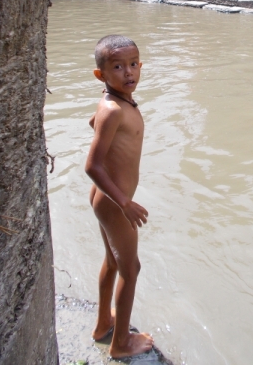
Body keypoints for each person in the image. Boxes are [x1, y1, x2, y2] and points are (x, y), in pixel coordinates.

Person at [85, 35, 154, 360]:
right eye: (117, 67)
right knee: (131, 268)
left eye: (133, 64)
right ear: (101, 74)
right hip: (114, 203)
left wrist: (97, 122)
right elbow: (92, 165)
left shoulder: (115, 103)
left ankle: (103, 324)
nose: (129, 73)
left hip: (104, 199)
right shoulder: (113, 109)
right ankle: (121, 344)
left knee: (112, 262)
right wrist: (124, 203)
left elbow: (96, 125)